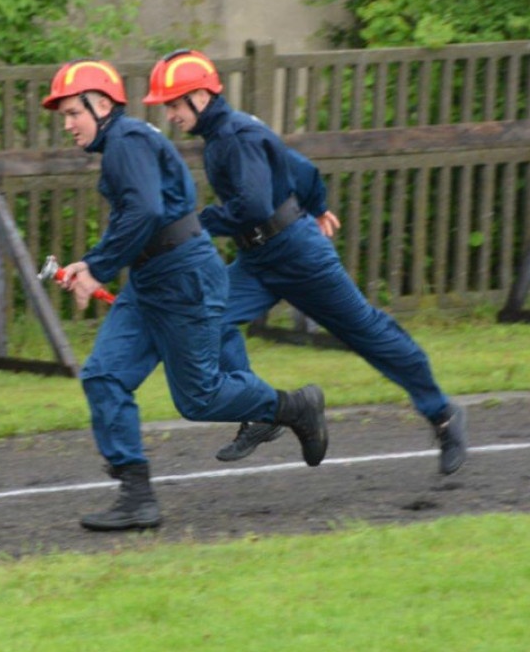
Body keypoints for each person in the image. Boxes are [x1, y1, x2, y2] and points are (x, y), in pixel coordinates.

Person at [143, 49, 468, 475]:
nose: (169, 114)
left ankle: (442, 414)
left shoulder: (234, 136)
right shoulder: (231, 132)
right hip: (259, 260)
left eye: (172, 103)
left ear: (201, 96)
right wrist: (316, 204)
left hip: (298, 257)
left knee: (367, 332)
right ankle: (260, 412)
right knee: (211, 318)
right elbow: (301, 167)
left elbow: (254, 206)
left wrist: (197, 224)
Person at [41, 58, 328, 532]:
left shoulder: (126, 141)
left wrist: (98, 267)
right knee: (104, 376)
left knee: (199, 398)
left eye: (73, 112)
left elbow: (146, 211)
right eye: (65, 116)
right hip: (151, 280)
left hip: (182, 279)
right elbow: (137, 217)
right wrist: (90, 263)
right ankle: (137, 497)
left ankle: (294, 407)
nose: (68, 125)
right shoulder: (125, 144)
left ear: (102, 105)